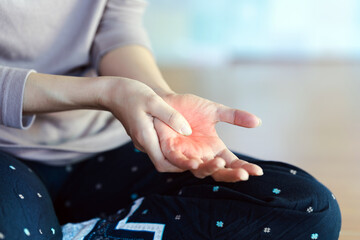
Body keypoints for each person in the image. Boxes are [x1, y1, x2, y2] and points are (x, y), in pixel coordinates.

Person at [0, 1, 341, 239]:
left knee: (309, 210)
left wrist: (159, 101)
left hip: (103, 146)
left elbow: (117, 29)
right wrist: (105, 92)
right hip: (7, 156)